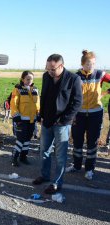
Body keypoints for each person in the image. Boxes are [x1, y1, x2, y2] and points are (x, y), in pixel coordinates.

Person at [33, 54, 82, 194]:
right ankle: (44, 175)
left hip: (62, 123)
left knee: (60, 155)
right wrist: (41, 115)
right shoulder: (46, 76)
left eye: (52, 69)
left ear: (61, 66)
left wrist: (65, 120)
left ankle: (57, 182)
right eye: (47, 68)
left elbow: (77, 102)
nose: (50, 72)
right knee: (44, 151)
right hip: (46, 121)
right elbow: (44, 96)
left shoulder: (73, 79)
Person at [66, 50, 110, 180]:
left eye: (93, 64)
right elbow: (70, 95)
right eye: (89, 64)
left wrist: (106, 92)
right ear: (83, 64)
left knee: (92, 142)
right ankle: (76, 165)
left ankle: (90, 169)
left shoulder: (99, 74)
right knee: (77, 141)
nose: (91, 66)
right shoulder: (76, 76)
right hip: (78, 114)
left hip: (95, 114)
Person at [10, 71, 40, 166]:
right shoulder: (17, 89)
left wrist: (38, 114)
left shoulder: (35, 90)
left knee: (27, 139)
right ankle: (15, 157)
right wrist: (16, 117)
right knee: (20, 139)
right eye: (27, 79)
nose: (29, 81)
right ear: (23, 79)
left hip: (32, 120)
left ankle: (23, 157)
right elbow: (13, 104)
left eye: (31, 79)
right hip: (21, 120)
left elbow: (38, 104)